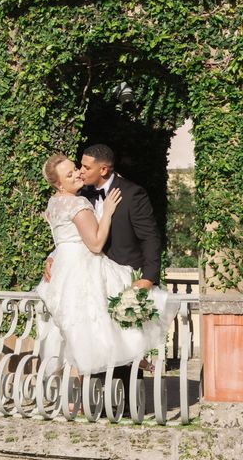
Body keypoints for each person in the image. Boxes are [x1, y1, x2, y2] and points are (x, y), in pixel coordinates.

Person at [36, 151, 177, 379]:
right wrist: (108, 212)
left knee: (87, 325)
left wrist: (149, 277)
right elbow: (93, 243)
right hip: (84, 267)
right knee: (92, 323)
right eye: (71, 173)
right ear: (58, 184)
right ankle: (122, 365)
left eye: (79, 168)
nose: (79, 174)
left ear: (103, 169)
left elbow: (150, 237)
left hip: (68, 269)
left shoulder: (57, 202)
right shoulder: (79, 200)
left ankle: (124, 367)